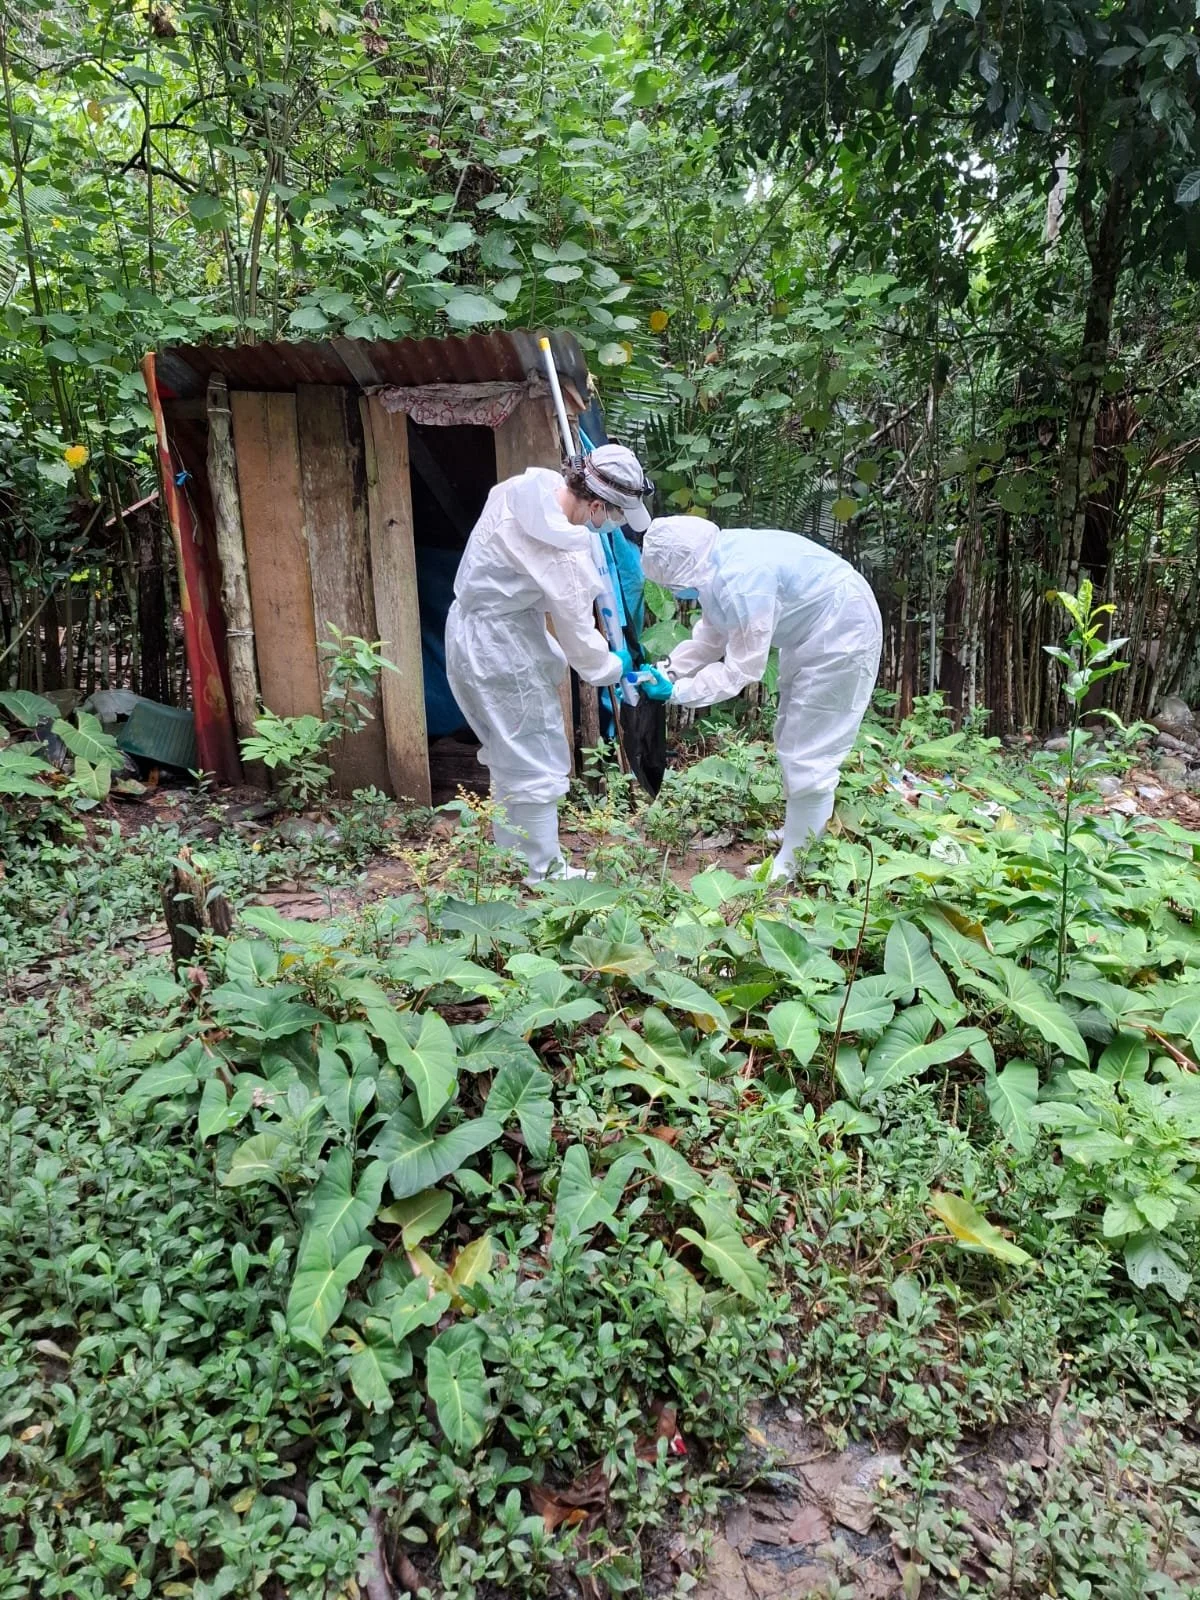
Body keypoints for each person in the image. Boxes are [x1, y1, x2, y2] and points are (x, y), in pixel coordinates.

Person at [445, 444, 652, 881]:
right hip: (502, 651)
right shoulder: (561, 555)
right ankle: (543, 871)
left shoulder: (520, 489)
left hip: (472, 629)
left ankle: (514, 861)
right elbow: (582, 645)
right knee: (534, 751)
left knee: (510, 753)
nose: (610, 525)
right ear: (596, 504)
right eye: (612, 516)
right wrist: (616, 666)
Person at [640, 515, 883, 880]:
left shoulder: (743, 580)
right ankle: (802, 829)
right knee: (792, 730)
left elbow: (742, 670)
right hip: (814, 632)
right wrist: (670, 668)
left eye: (674, 584)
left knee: (810, 746)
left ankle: (799, 862)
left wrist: (678, 692)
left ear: (684, 569)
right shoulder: (717, 564)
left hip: (842, 631)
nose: (676, 592)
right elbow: (711, 638)